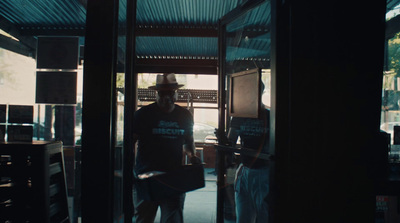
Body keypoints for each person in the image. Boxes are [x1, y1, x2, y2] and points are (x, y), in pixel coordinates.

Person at [132, 73, 201, 223]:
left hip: (173, 177)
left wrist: (193, 156)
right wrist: (132, 171)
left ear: (176, 93)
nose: (167, 97)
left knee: (173, 220)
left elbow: (188, 141)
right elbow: (131, 142)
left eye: (170, 92)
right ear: (156, 94)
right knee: (143, 219)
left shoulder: (184, 115)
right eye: (162, 93)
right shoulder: (143, 115)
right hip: (147, 177)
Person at [227, 82, 270, 223]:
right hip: (244, 169)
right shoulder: (240, 116)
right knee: (243, 217)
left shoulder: (270, 117)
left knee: (263, 216)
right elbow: (231, 141)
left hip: (263, 171)